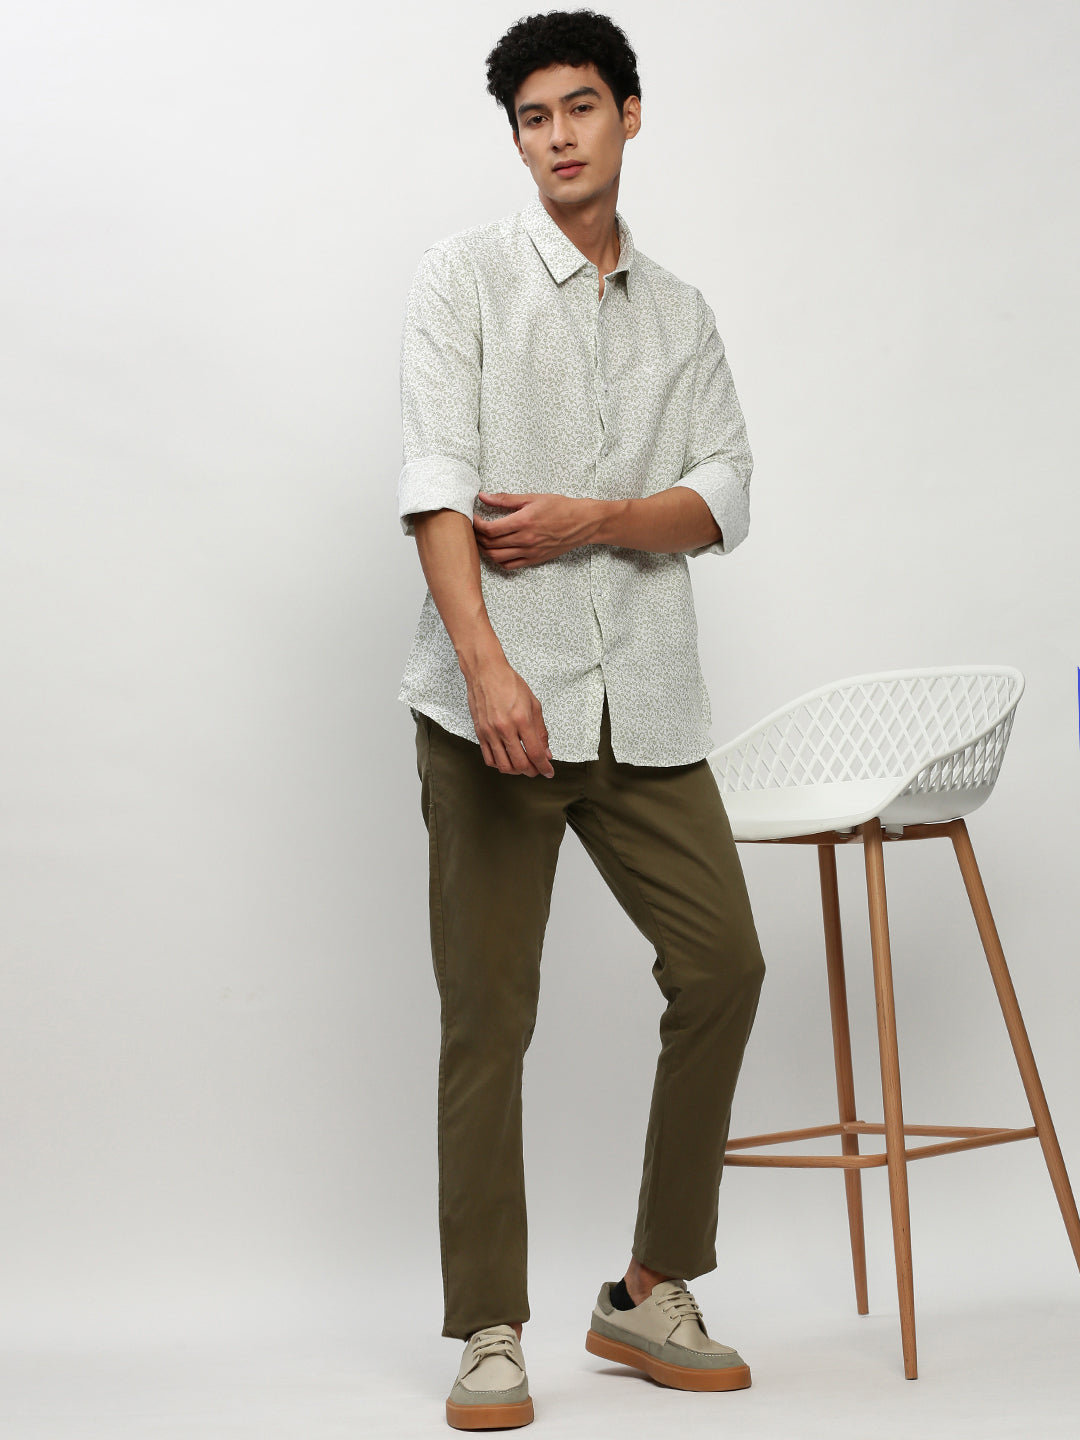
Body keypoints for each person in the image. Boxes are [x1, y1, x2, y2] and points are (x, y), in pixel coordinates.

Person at [396, 10, 767, 1429]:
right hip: (497, 703)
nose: (558, 135)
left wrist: (596, 518)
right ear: (517, 138)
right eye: (533, 117)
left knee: (723, 964)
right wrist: (488, 668)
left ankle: (649, 1289)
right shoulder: (466, 279)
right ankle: (490, 1327)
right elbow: (437, 482)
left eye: (581, 107)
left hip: (647, 701)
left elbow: (722, 497)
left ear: (629, 115)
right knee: (490, 1016)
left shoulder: (682, 313)